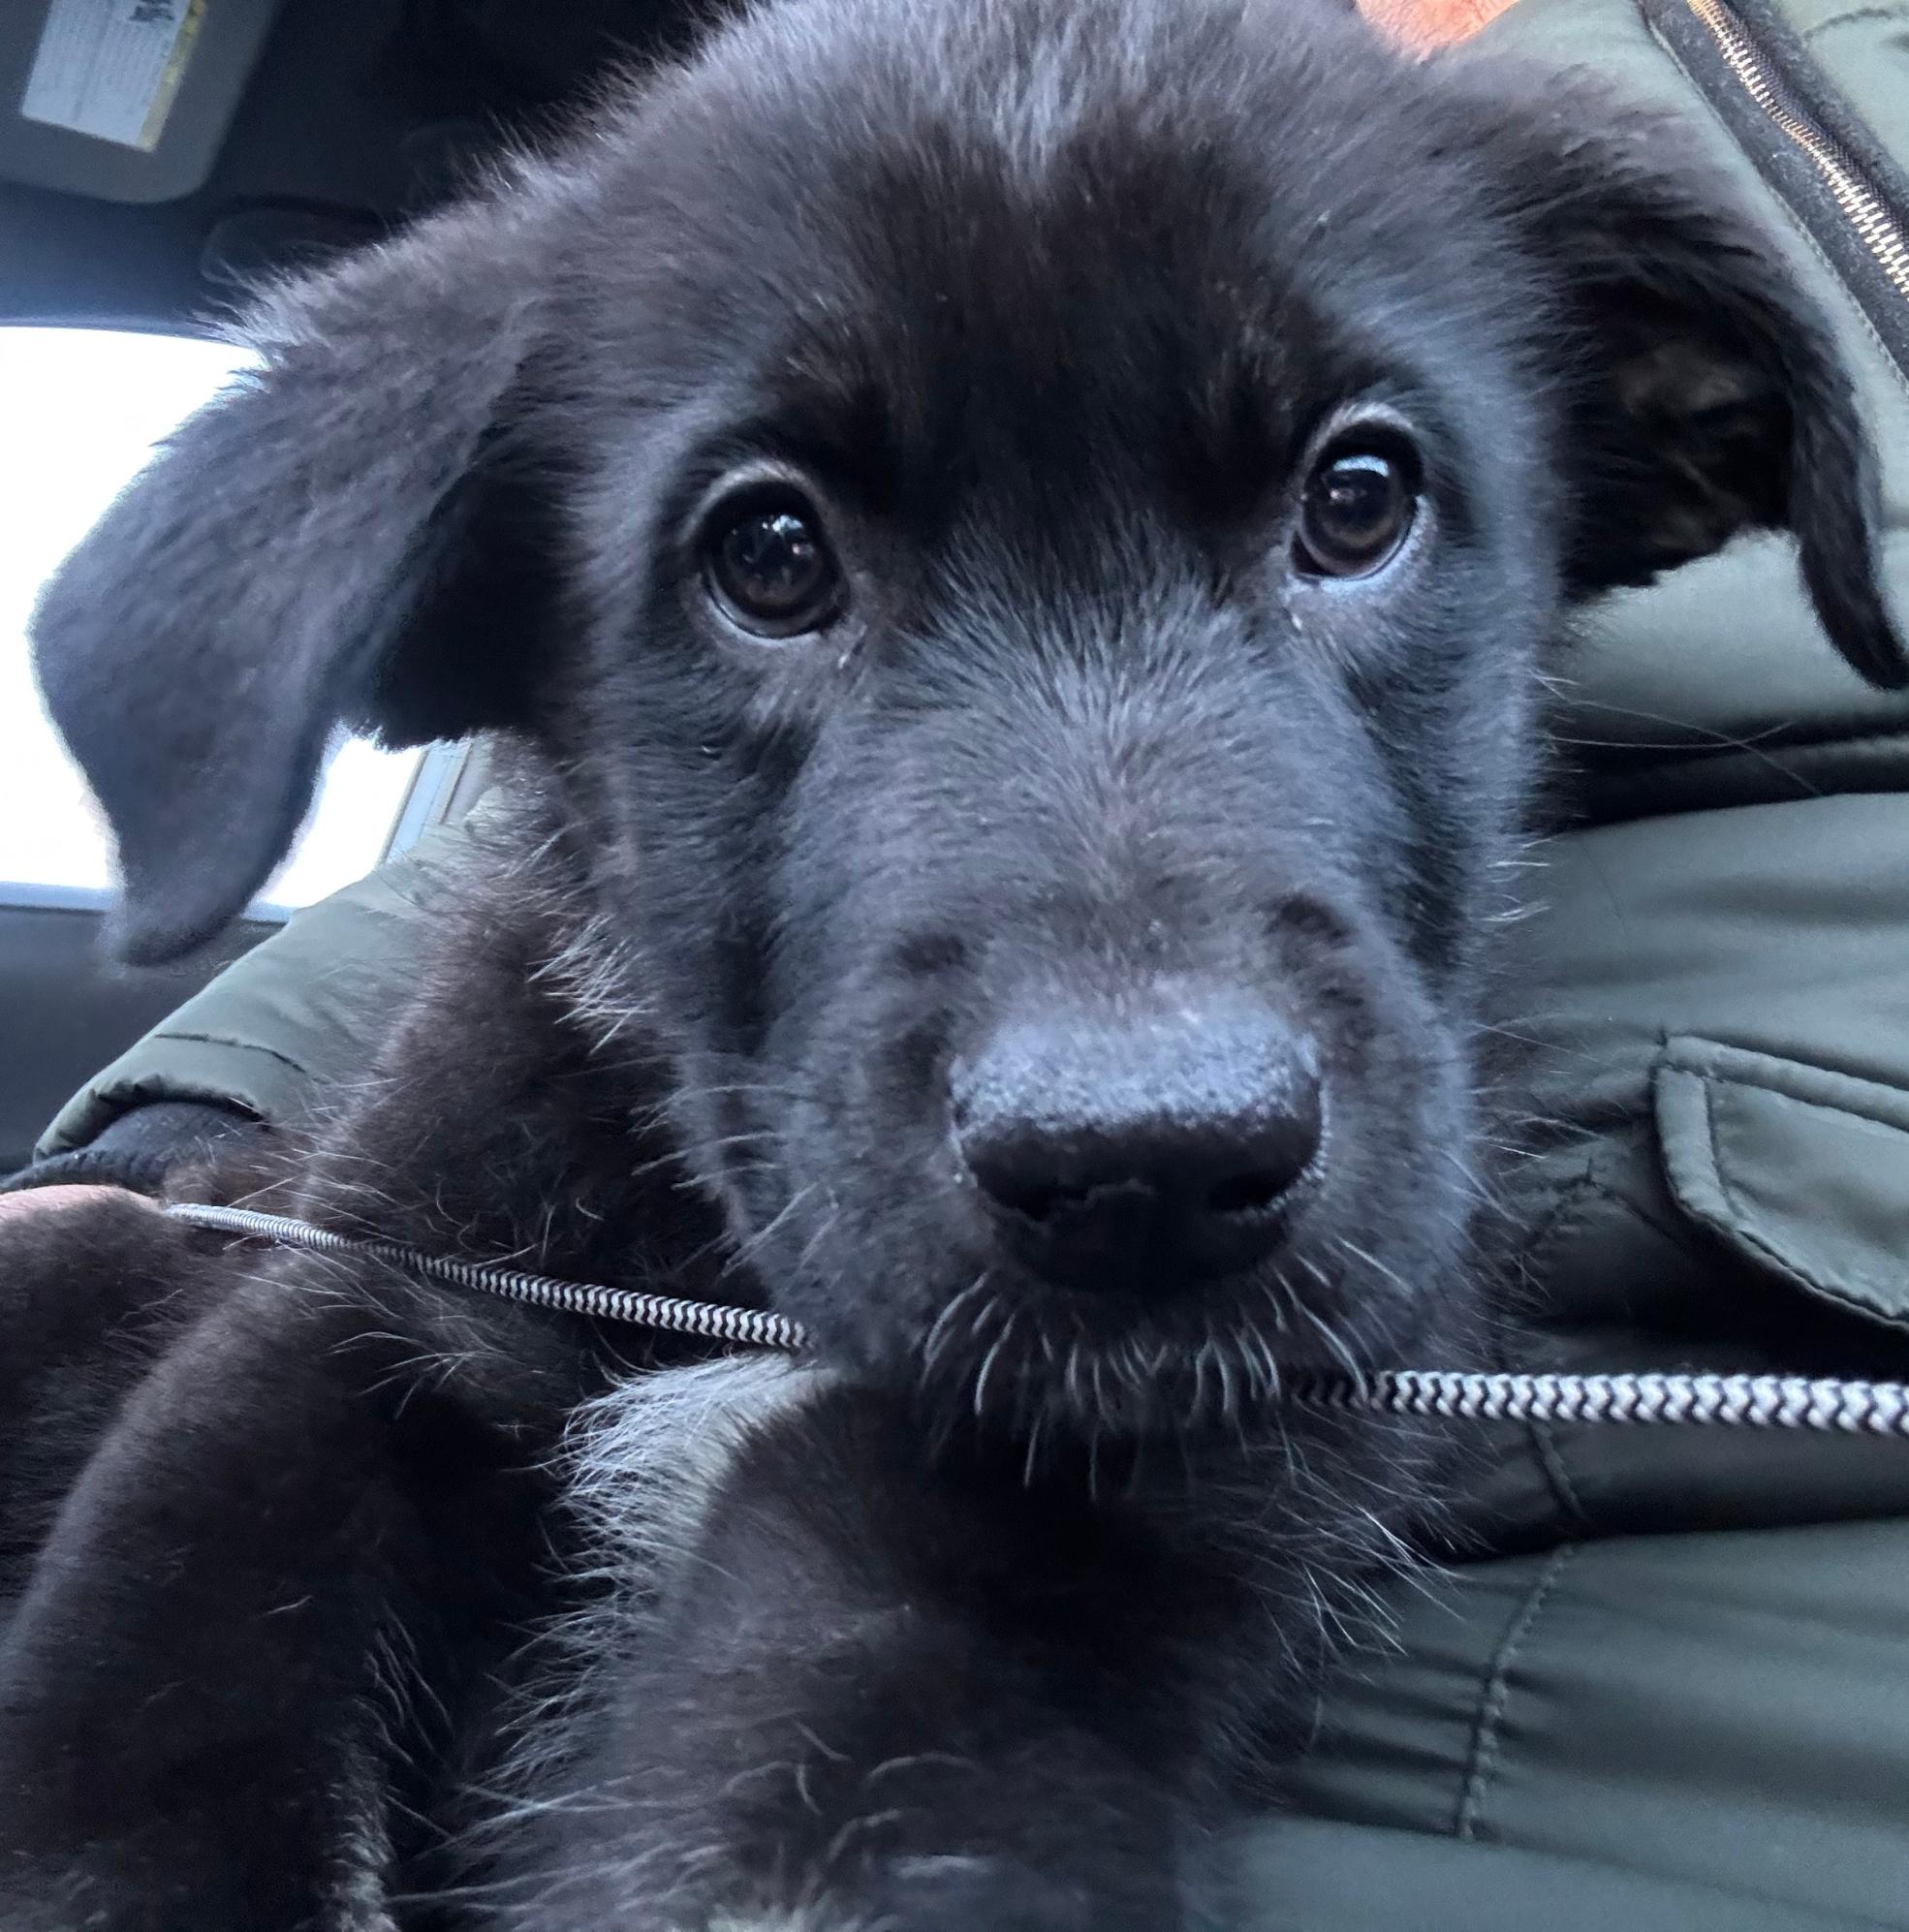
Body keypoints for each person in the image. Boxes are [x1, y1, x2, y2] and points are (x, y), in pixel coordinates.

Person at [8, 0, 1909, 1922]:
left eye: (1353, 502)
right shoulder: (487, 1077)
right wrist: (184, 1122)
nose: (1135, 1072)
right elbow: (306, 1378)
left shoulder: (1549, 197)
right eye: (769, 559)